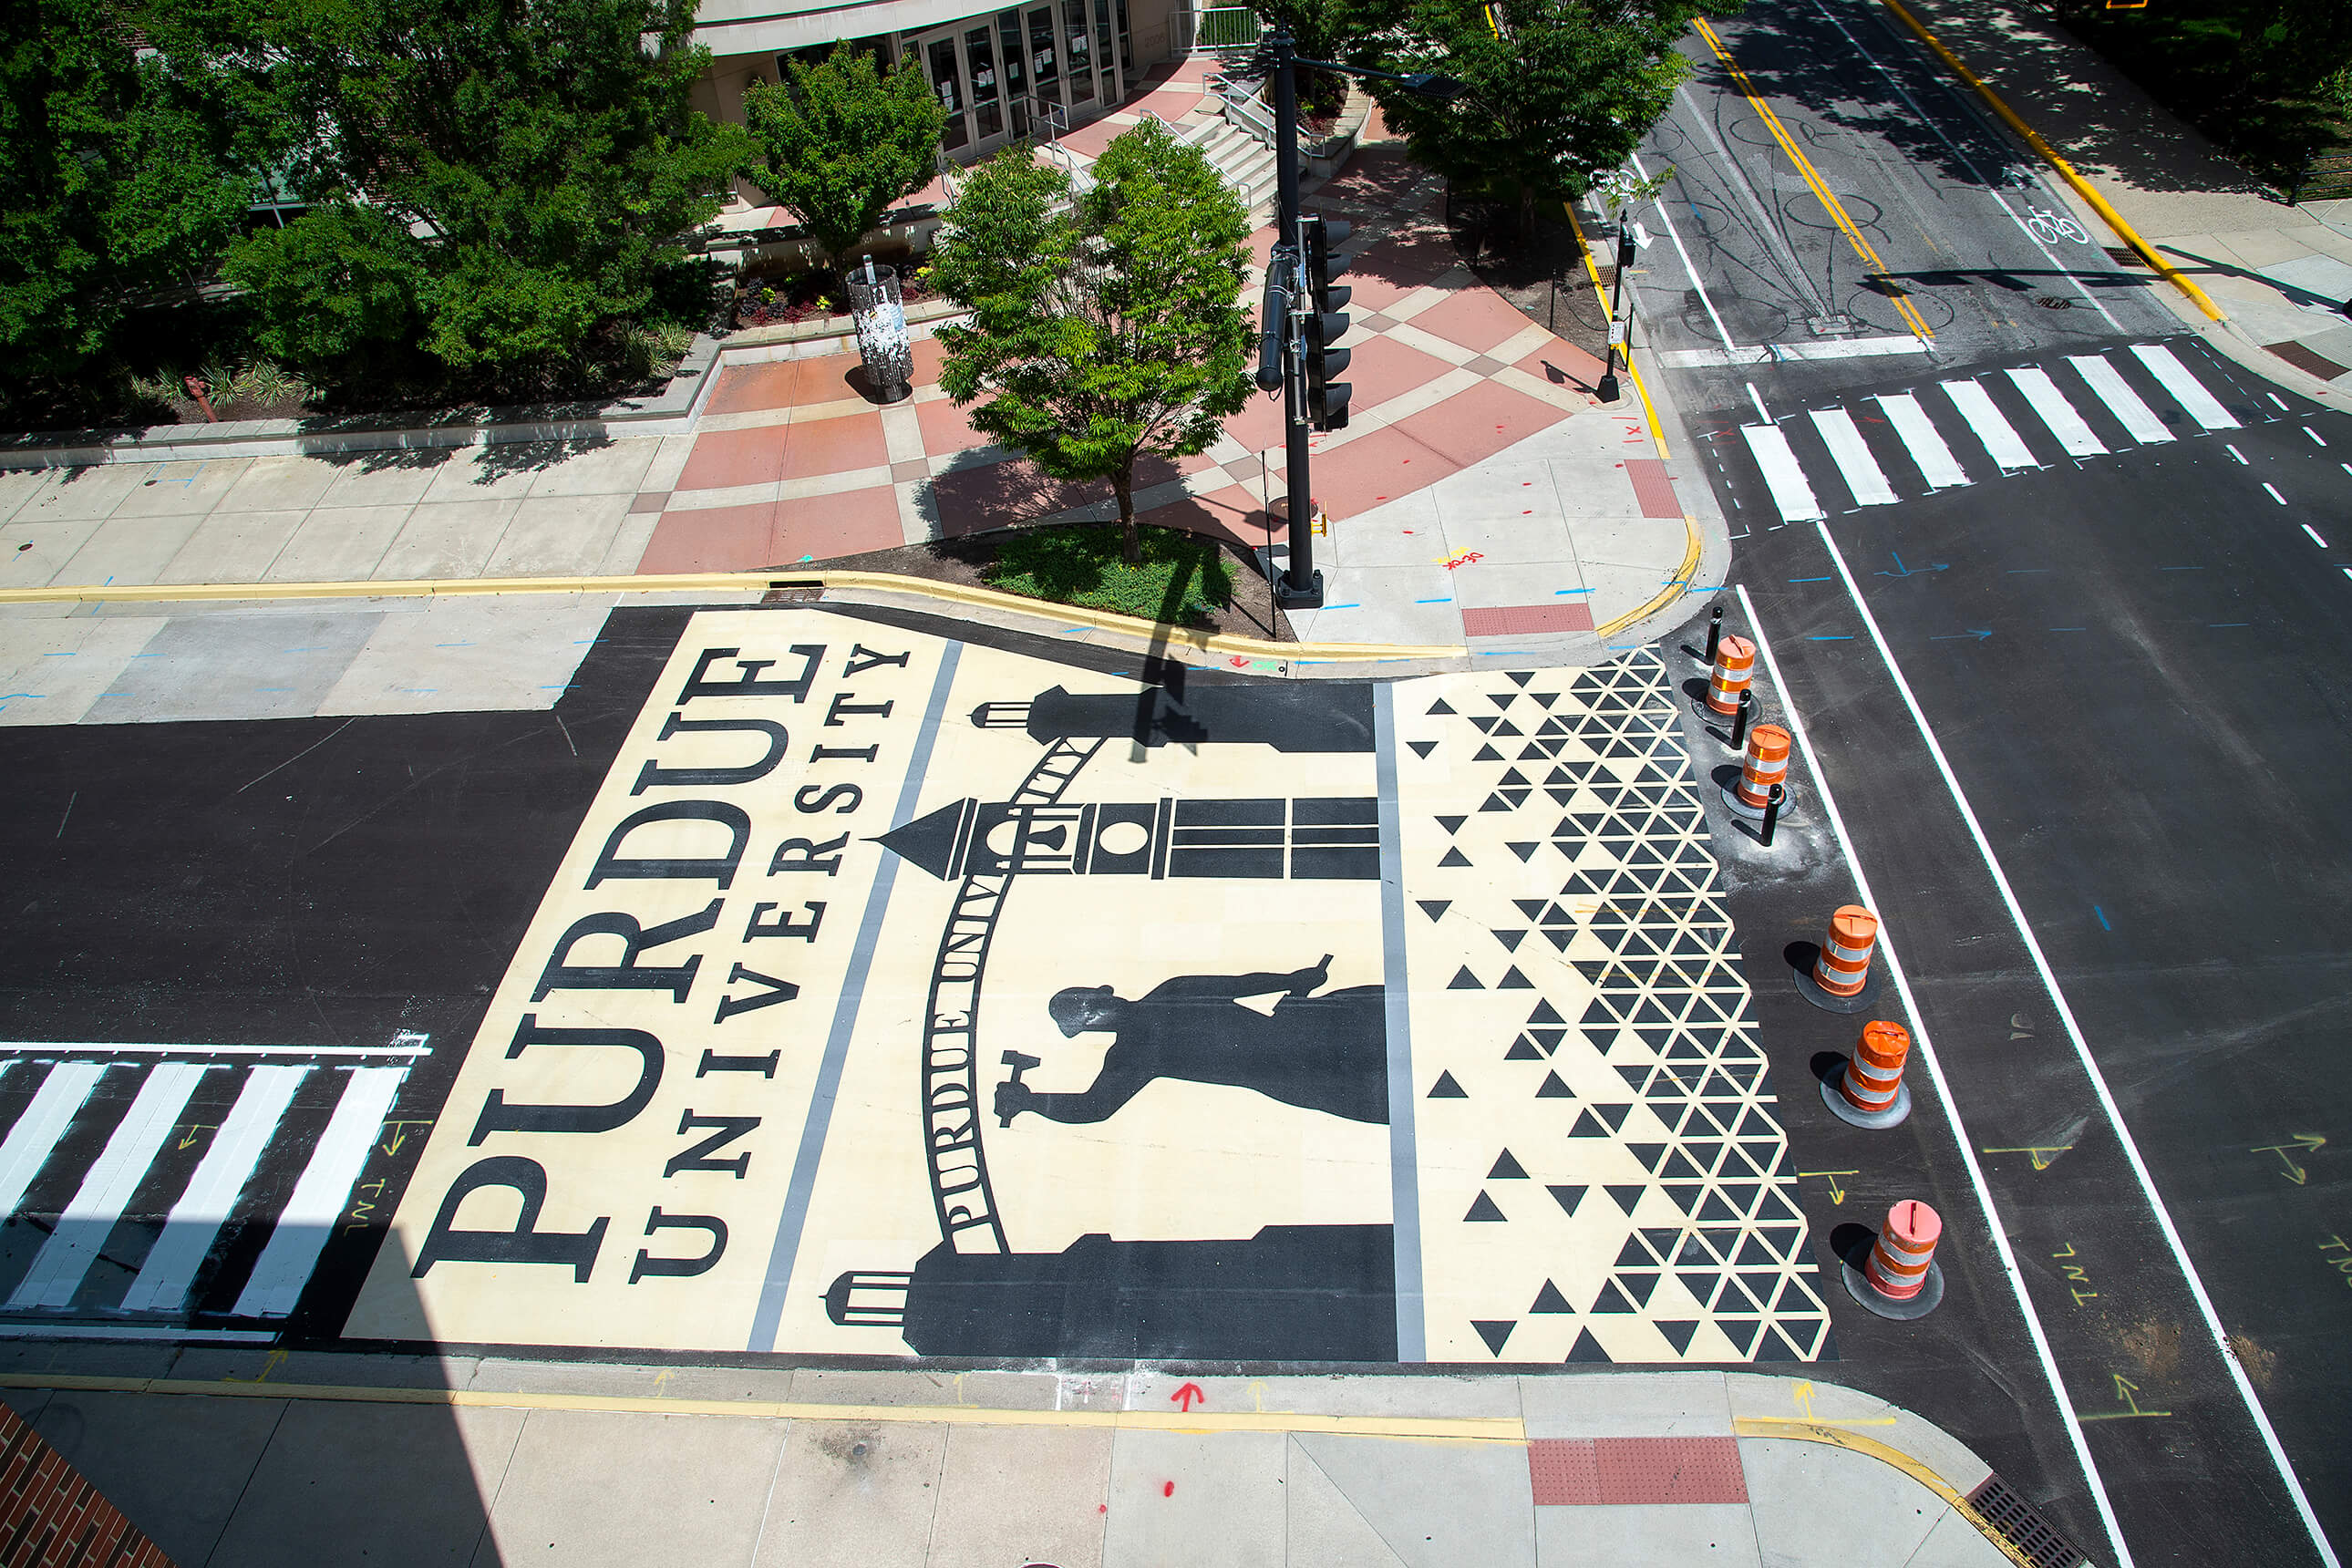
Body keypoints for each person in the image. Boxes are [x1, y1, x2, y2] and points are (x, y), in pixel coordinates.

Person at [993, 955, 1388, 1126]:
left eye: (1095, 1007)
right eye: (1093, 1011)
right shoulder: (1135, 1049)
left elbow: (1241, 985)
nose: (1099, 1012)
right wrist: (1030, 1102)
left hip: (1303, 1045)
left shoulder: (1161, 1008)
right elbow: (1092, 1108)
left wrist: (1292, 981)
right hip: (1302, 1067)